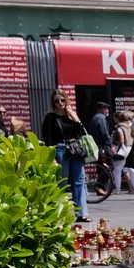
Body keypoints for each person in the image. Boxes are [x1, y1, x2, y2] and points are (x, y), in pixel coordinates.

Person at [38, 91, 91, 223]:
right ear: (53, 103)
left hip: (75, 149)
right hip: (60, 149)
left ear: (67, 100)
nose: (60, 103)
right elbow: (48, 139)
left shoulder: (71, 115)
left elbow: (83, 134)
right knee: (61, 182)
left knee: (79, 181)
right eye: (57, 101)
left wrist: (75, 118)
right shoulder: (50, 117)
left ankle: (82, 213)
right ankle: (58, 212)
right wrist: (52, 157)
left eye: (62, 100)